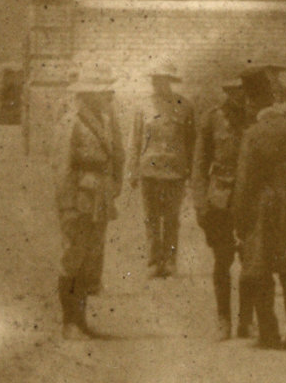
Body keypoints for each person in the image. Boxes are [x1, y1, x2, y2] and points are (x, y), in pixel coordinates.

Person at [232, 65, 286, 350]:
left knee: (260, 273)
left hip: (261, 214)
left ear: (253, 103)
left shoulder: (253, 134)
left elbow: (243, 185)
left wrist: (240, 222)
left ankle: (268, 334)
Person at [55, 65, 125, 339]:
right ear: (87, 94)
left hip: (99, 197)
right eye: (100, 91)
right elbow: (62, 168)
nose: (107, 95)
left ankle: (81, 320)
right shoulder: (71, 122)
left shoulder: (106, 120)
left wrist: (116, 184)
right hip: (79, 197)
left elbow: (117, 154)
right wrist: (67, 206)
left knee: (91, 259)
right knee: (73, 257)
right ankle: (68, 322)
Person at [192, 76, 255, 340]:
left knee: (251, 260)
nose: (236, 96)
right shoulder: (212, 118)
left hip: (249, 198)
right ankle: (223, 319)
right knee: (222, 260)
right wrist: (200, 203)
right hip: (219, 198)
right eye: (231, 90)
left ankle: (246, 320)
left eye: (241, 90)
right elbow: (199, 164)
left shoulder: (255, 118)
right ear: (226, 91)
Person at [130, 62, 196, 278]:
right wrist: (132, 170)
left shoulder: (184, 106)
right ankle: (153, 261)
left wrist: (191, 171)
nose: (158, 84)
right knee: (150, 217)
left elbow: (192, 141)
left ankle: (169, 261)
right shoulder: (143, 106)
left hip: (175, 171)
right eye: (155, 79)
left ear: (170, 81)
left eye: (162, 79)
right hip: (149, 170)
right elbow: (135, 139)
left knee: (171, 218)